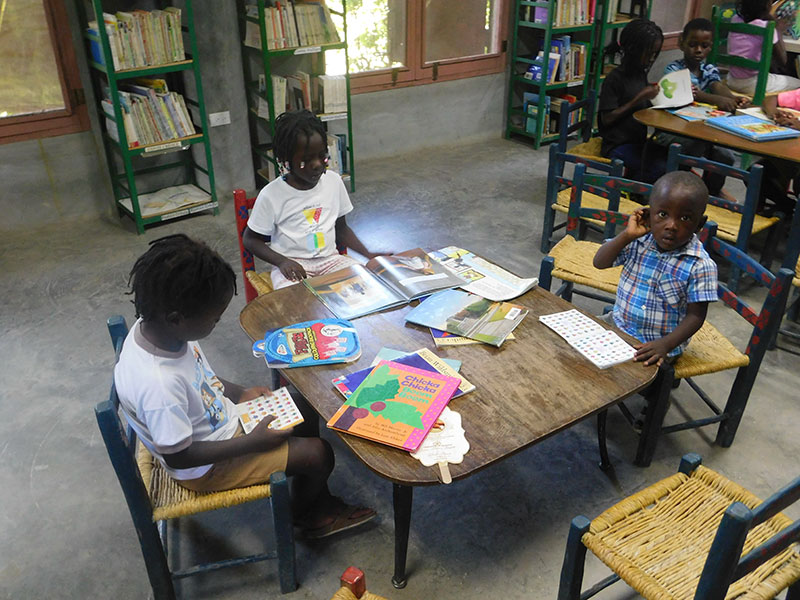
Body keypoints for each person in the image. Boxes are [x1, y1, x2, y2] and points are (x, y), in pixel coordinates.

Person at [114, 234, 376, 538]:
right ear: (176, 318)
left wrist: (239, 393)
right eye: (213, 319)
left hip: (220, 424)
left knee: (305, 402)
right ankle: (309, 515)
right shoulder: (158, 385)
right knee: (319, 454)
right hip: (203, 467)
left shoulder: (159, 329)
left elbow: (199, 377)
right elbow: (178, 456)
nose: (216, 323)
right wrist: (255, 442)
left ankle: (306, 485)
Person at [242, 109, 381, 289]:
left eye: (322, 156)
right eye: (306, 160)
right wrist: (282, 262)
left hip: (331, 261)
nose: (316, 165)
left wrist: (369, 255)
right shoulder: (272, 194)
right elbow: (250, 239)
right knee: (296, 302)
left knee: (366, 285)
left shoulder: (333, 182)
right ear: (286, 160)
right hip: (292, 266)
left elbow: (341, 229)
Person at [593, 172, 719, 366]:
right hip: (617, 324)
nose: (672, 225)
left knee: (618, 376)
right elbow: (600, 262)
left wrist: (665, 345)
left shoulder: (700, 265)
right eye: (662, 214)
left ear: (699, 224)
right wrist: (627, 235)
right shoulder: (638, 241)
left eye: (685, 218)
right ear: (648, 214)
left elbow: (696, 316)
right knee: (575, 347)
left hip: (657, 343)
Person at [656, 18, 745, 198]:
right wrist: (718, 100)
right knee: (691, 148)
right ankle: (676, 189)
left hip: (703, 131)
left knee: (726, 156)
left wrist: (734, 99)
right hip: (675, 130)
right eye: (693, 45)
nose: (698, 50)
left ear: (710, 47)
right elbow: (692, 94)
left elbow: (716, 85)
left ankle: (711, 191)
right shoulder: (674, 69)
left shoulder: (708, 68)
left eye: (704, 46)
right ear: (681, 43)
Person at [598, 18, 668, 184]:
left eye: (655, 54)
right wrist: (640, 97)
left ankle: (632, 184)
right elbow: (606, 119)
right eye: (649, 53)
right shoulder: (615, 78)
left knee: (670, 157)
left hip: (637, 141)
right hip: (616, 145)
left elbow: (642, 104)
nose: (652, 59)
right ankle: (628, 189)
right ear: (633, 49)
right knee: (659, 168)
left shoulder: (639, 73)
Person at [726, 0, 800, 96]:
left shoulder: (735, 19)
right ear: (767, 6)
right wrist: (779, 30)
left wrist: (769, 18)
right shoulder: (767, 28)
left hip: (731, 79)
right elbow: (783, 60)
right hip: (753, 84)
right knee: (797, 84)